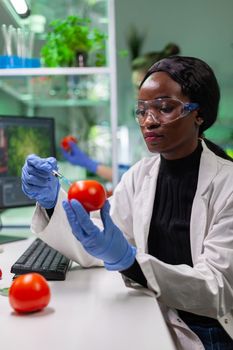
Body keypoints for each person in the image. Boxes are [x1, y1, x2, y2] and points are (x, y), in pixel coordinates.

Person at [21, 56, 233, 350]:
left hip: (208, 331)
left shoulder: (228, 185)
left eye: (165, 108)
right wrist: (50, 201)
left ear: (199, 114)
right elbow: (95, 246)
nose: (149, 121)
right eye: (142, 110)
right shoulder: (140, 175)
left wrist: (129, 261)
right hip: (154, 312)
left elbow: (217, 289)